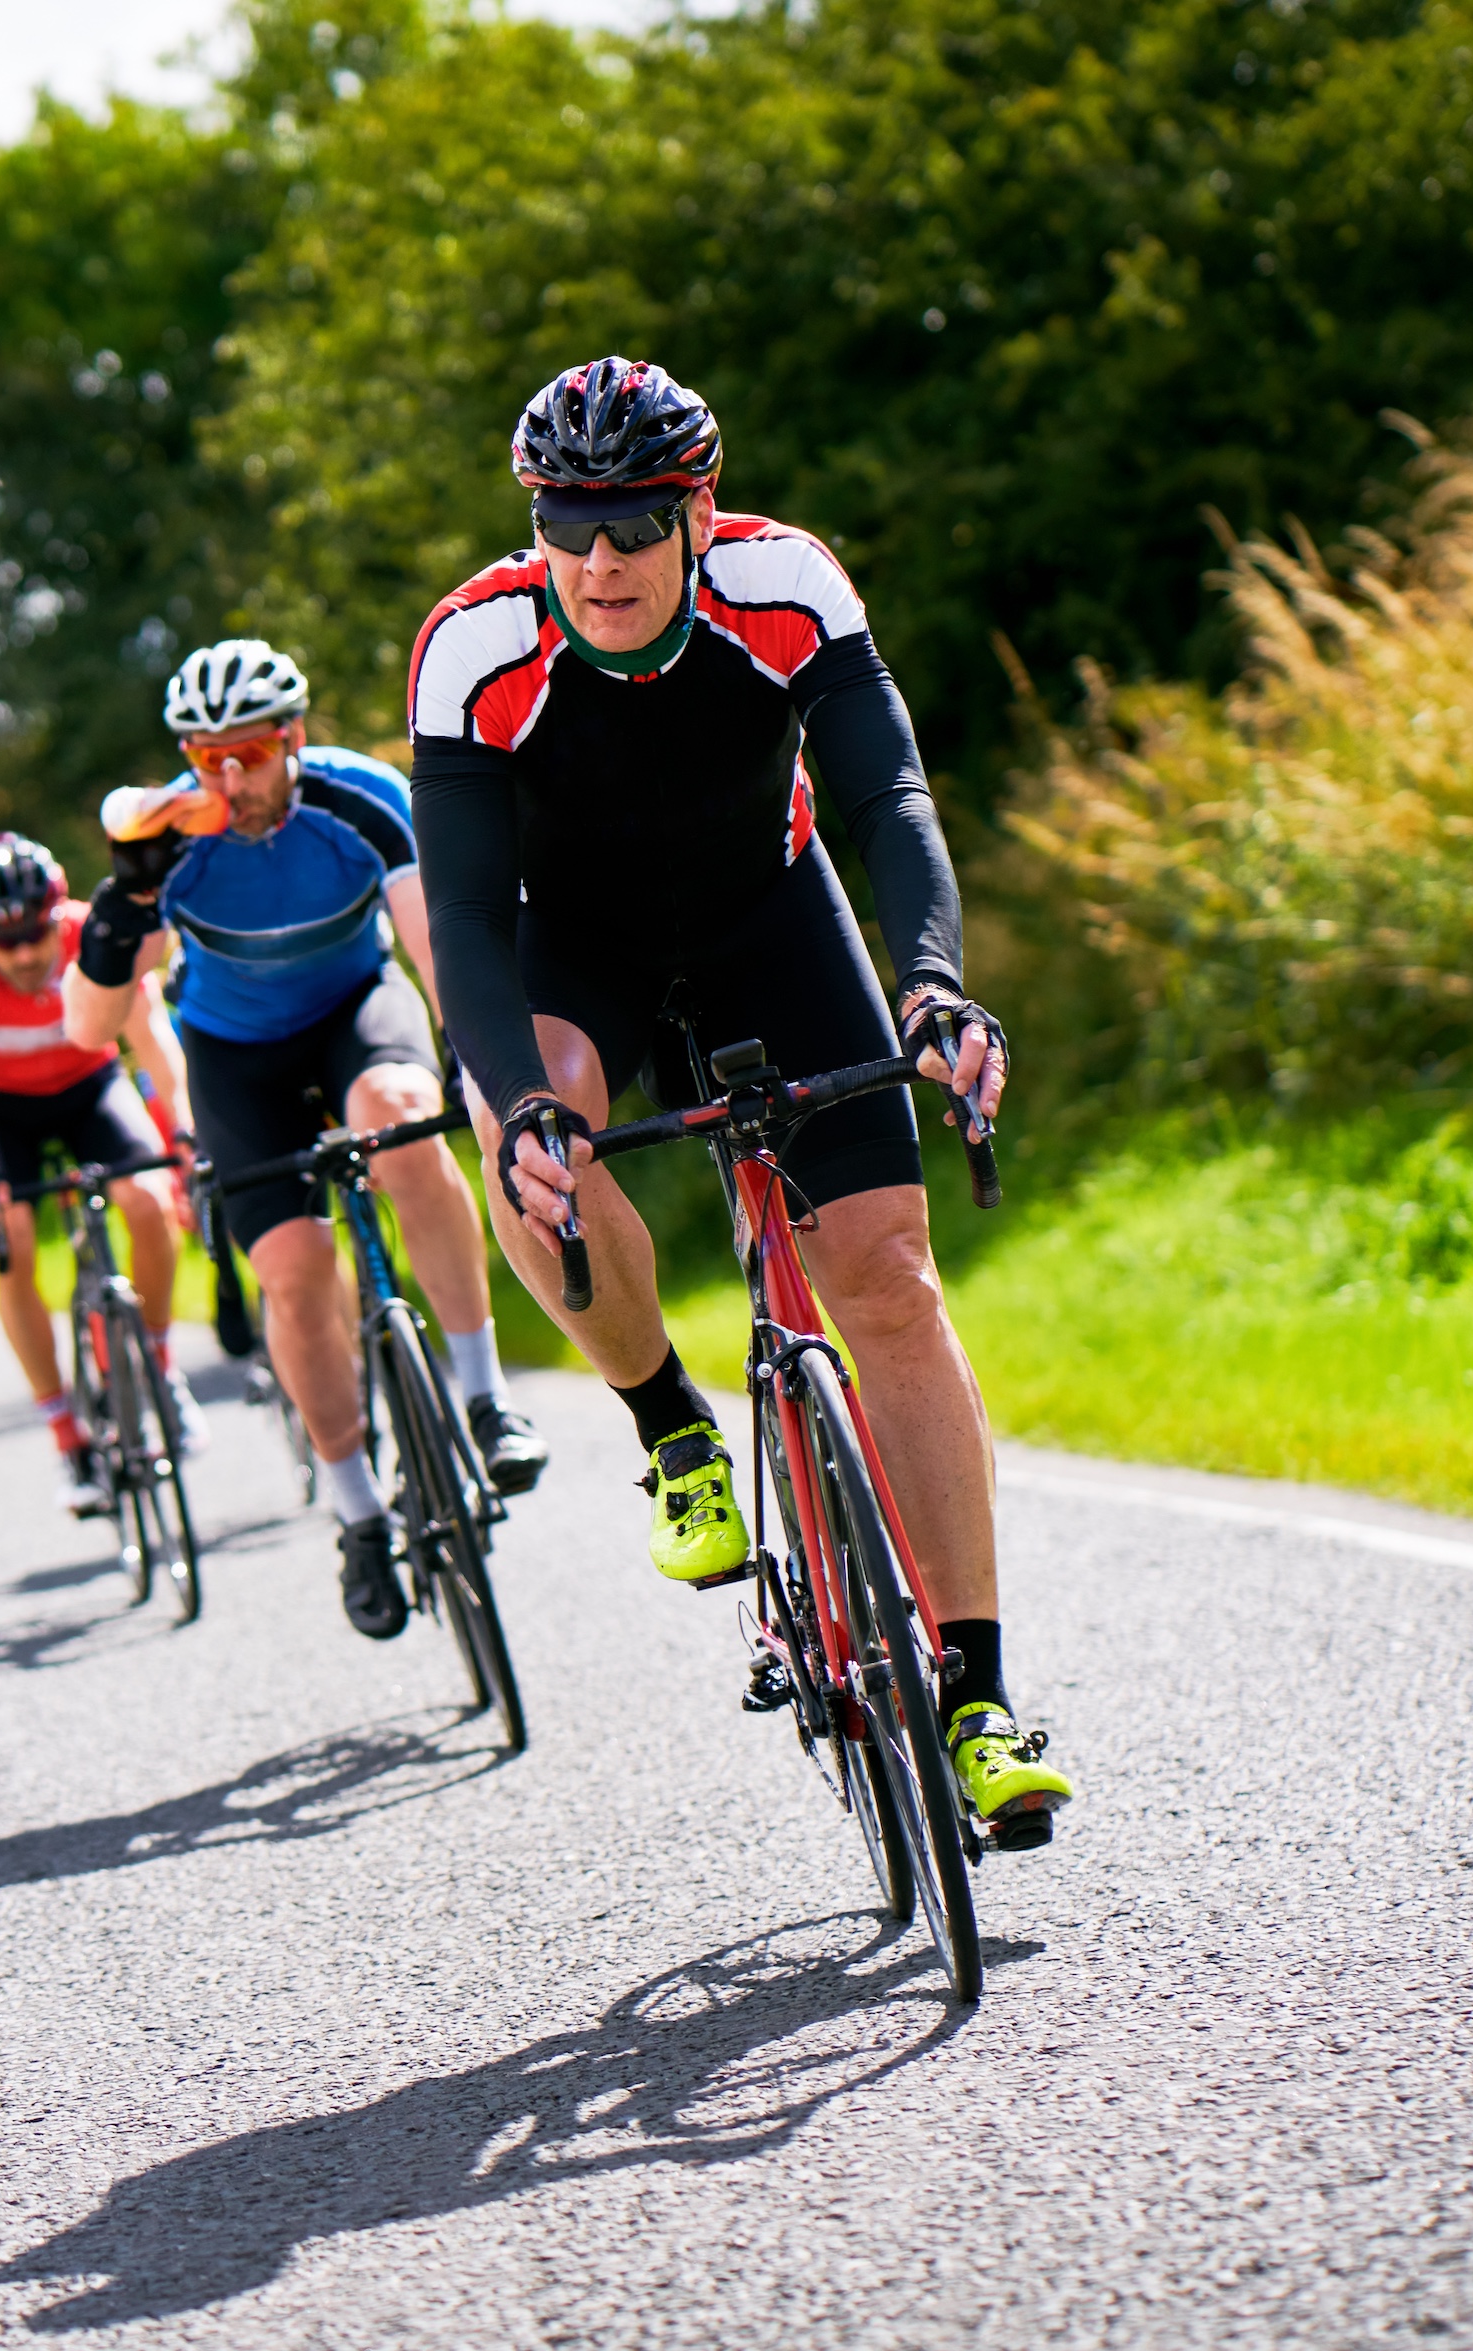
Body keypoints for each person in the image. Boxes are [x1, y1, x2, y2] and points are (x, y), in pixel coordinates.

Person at [405, 353, 1074, 1843]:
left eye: (635, 524)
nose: (599, 561)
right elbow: (459, 917)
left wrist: (933, 987)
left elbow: (888, 798)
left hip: (771, 913)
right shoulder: (473, 644)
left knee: (886, 1273)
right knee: (545, 1154)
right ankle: (671, 1426)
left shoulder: (786, 585)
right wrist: (518, 1108)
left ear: (697, 512)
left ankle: (974, 1699)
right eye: (565, 525)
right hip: (571, 941)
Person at [69, 638, 548, 1643]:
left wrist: (476, 1063)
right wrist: (124, 904)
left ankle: (483, 1393)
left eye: (246, 752)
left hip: (353, 1011)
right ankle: (357, 1513)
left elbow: (433, 943)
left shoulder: (358, 797)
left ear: (291, 737)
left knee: (398, 1109)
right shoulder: (175, 832)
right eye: (206, 758)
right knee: (291, 1265)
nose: (227, 778)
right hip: (234, 1050)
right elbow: (88, 1022)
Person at [0, 832, 195, 1517]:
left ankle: (157, 1368)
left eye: (34, 934)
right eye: (2, 940)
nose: (22, 954)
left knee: (149, 1199)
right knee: (8, 1237)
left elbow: (152, 1040)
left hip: (90, 1085)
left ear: (57, 916)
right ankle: (66, 1434)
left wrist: (186, 1131)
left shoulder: (93, 927)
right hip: (3, 1108)